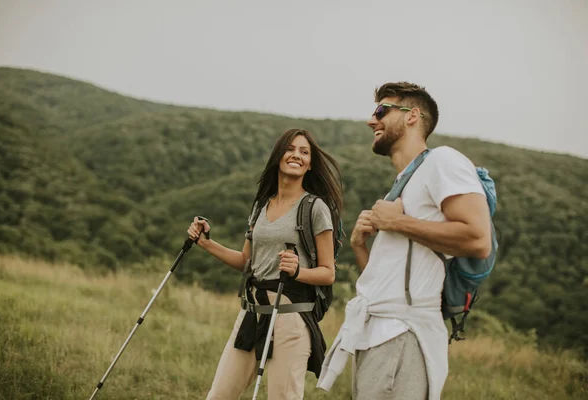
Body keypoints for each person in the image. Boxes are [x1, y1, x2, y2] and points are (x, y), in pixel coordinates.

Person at [316, 82, 493, 399]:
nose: (372, 120)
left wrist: (395, 221)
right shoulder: (402, 184)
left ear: (413, 115)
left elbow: (478, 239)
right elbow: (387, 284)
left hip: (405, 334)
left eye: (382, 110)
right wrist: (359, 246)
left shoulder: (442, 161)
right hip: (377, 334)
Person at [187, 128, 344, 400]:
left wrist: (298, 271)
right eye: (291, 149)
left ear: (309, 165)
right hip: (251, 314)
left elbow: (328, 274)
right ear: (278, 156)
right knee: (219, 395)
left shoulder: (315, 208)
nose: (296, 155)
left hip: (290, 318)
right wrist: (206, 243)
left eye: (304, 152)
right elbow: (247, 261)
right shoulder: (261, 205)